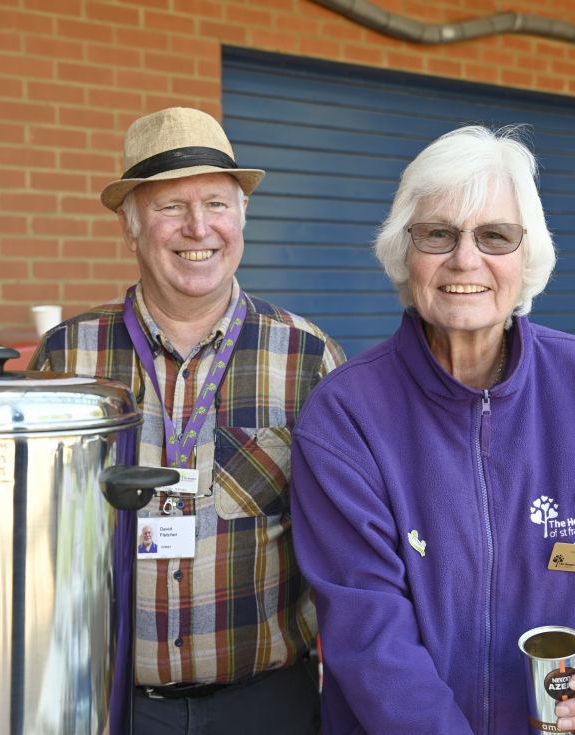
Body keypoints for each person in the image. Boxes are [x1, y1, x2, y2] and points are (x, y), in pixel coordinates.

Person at [288, 125, 575, 734]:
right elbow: (368, 627)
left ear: (526, 256)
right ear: (404, 255)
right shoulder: (346, 416)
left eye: (494, 236)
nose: (466, 259)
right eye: (438, 234)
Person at [31, 107, 345, 734]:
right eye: (171, 206)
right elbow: (34, 530)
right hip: (108, 699)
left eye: (217, 204)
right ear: (132, 226)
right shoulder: (67, 359)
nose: (198, 227)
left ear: (242, 218)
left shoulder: (309, 357)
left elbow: (348, 537)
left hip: (266, 705)